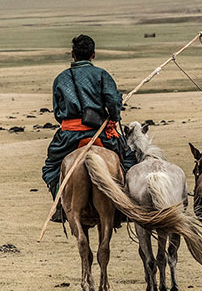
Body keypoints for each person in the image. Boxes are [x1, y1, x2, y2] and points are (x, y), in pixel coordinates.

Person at [42, 34, 138, 223]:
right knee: (128, 161)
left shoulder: (61, 79)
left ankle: (61, 206)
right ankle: (126, 207)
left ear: (73, 54)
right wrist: (115, 114)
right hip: (101, 134)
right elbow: (113, 105)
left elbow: (58, 112)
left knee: (51, 167)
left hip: (69, 137)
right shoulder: (102, 75)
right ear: (93, 54)